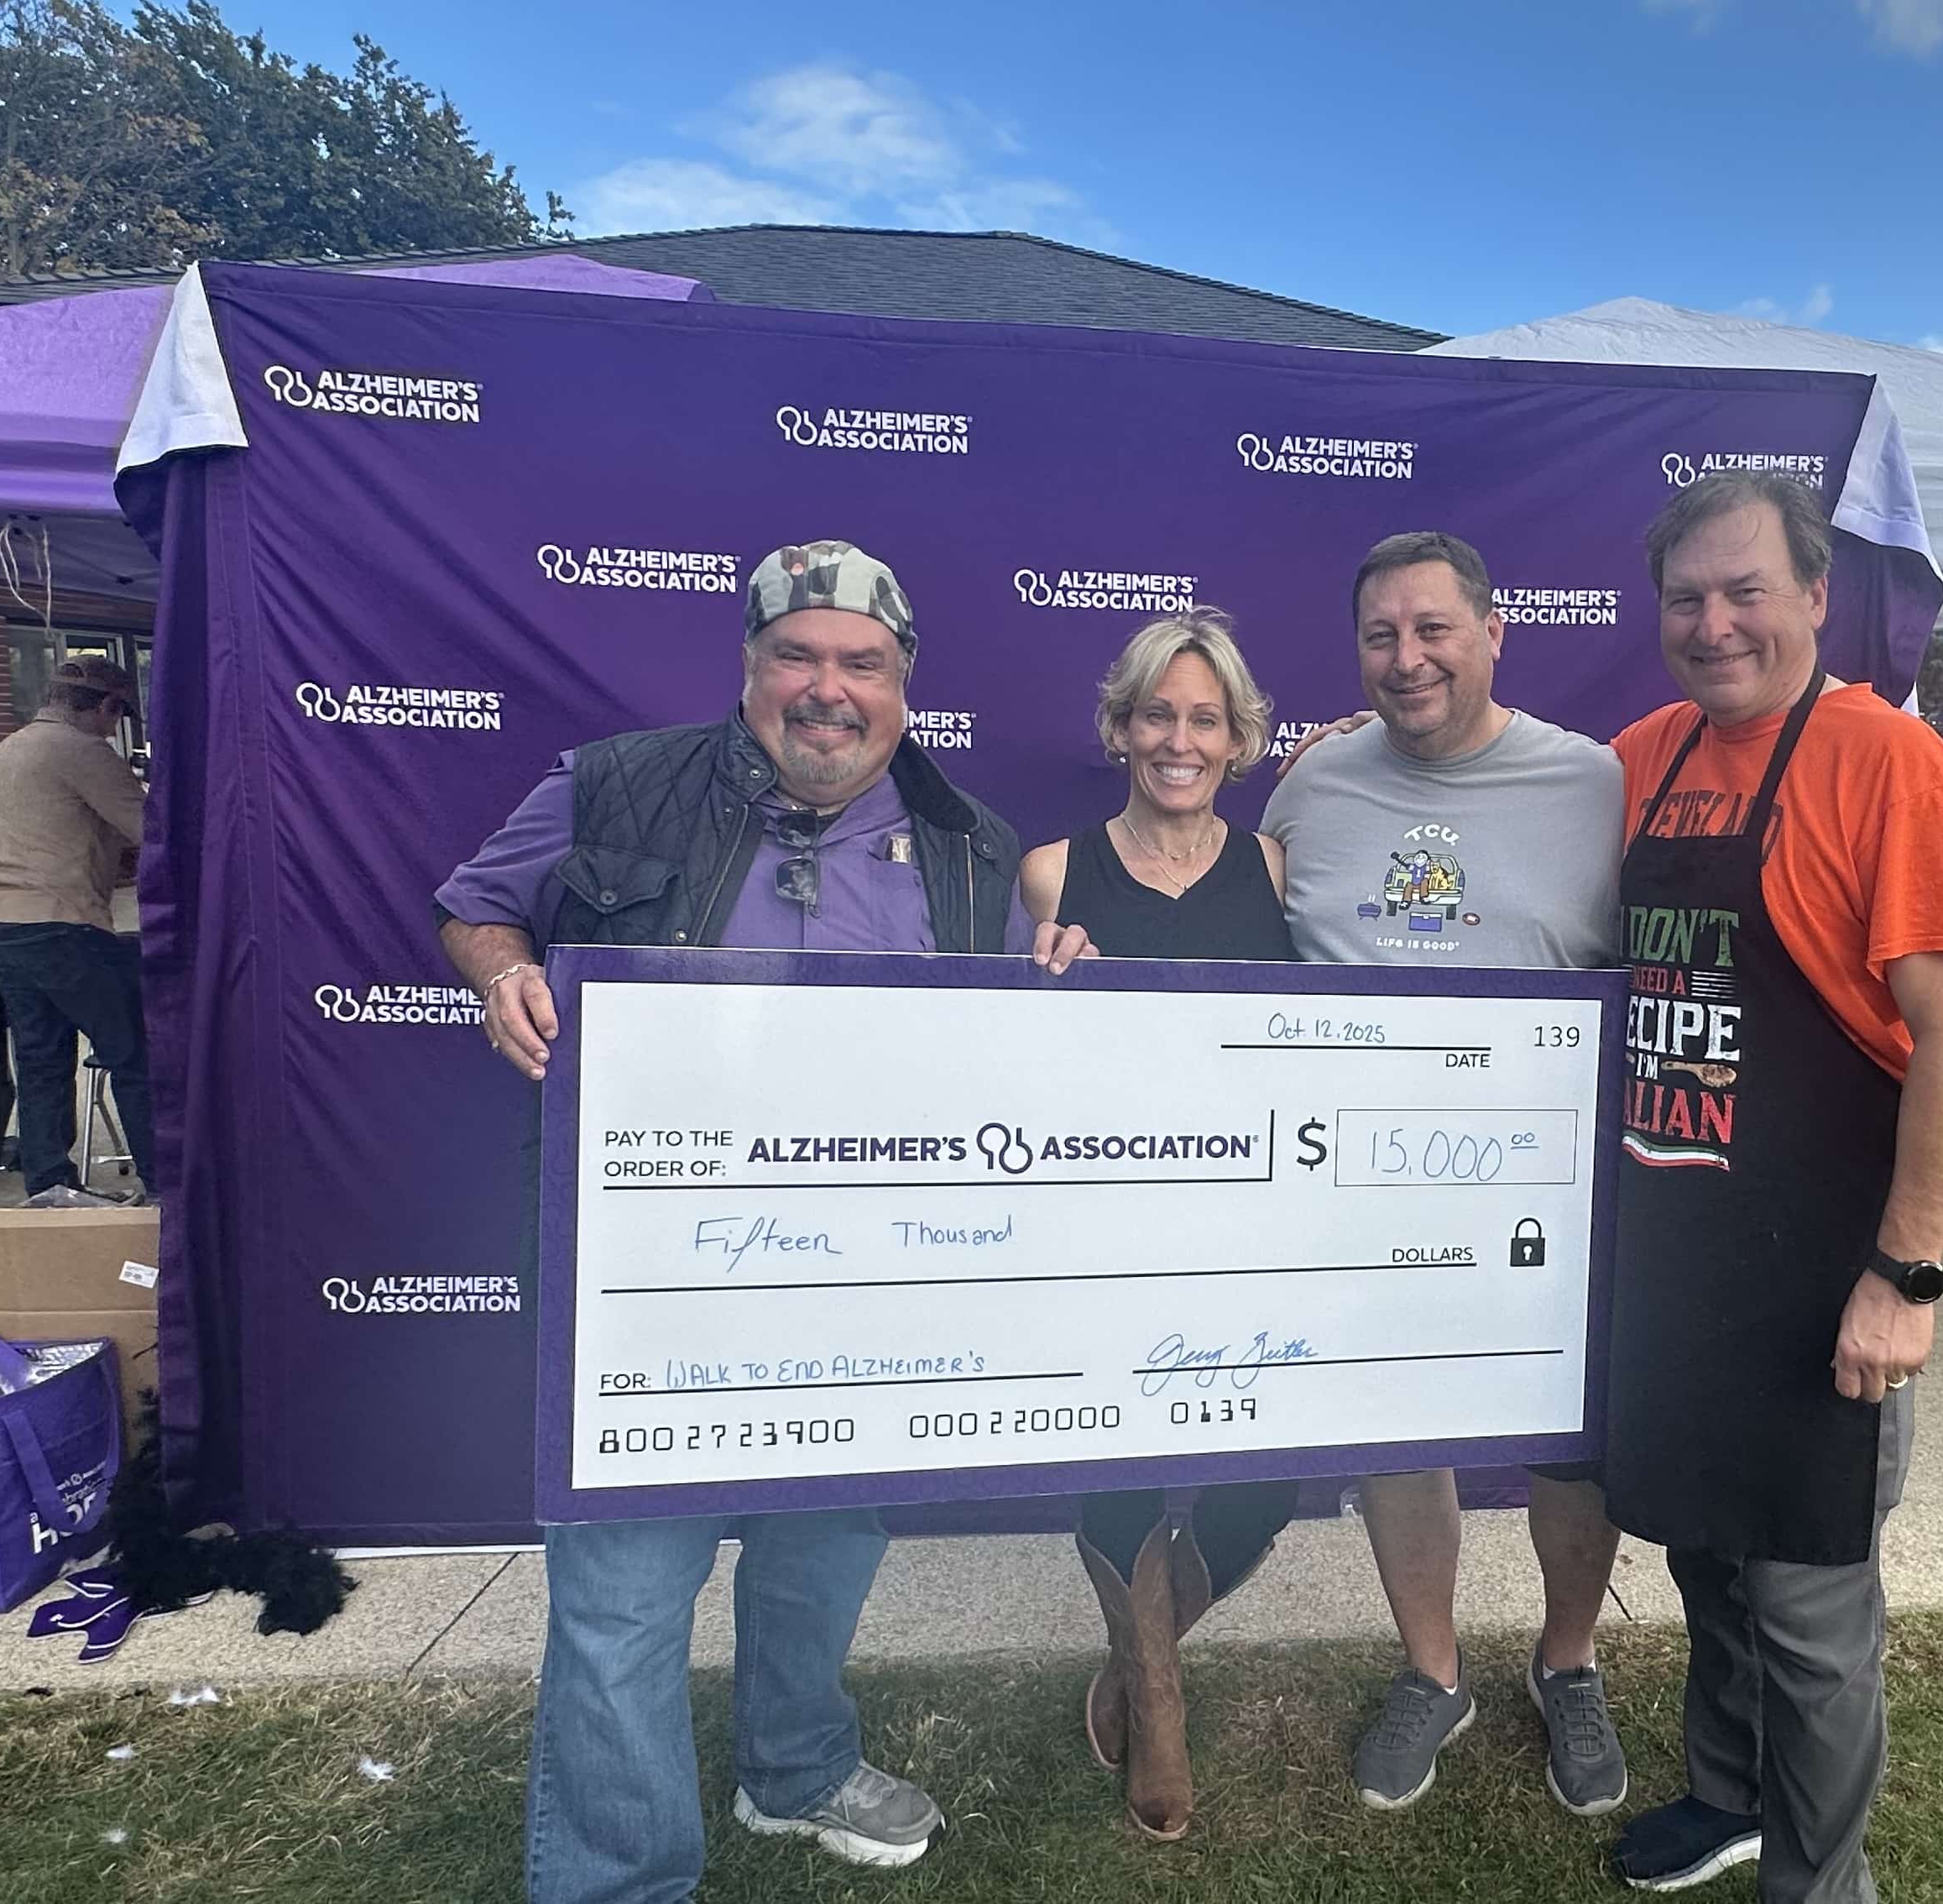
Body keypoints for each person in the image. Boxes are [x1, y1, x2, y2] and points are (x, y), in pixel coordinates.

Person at [437, 540, 1062, 1901]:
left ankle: (793, 1767)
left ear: (903, 685)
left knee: (821, 1550)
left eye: (861, 662)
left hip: (861, 1291)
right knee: (620, 1603)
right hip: (644, 1280)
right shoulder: (612, 782)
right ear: (749, 667)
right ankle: (616, 1877)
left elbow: (1013, 1056)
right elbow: (475, 906)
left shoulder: (967, 846)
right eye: (798, 654)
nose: (826, 687)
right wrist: (502, 977)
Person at [1601, 473, 1943, 1902]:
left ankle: (1821, 1883)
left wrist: (1903, 1273)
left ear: (1818, 596)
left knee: (1809, 1601)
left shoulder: (1888, 765)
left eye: (1744, 590)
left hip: (1821, 1263)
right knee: (1707, 1551)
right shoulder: (1638, 755)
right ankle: (1727, 1795)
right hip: (1678, 1247)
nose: (1713, 624)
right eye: (1686, 597)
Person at [1260, 531, 1636, 1818]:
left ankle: (1568, 1661)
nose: (1407, 658)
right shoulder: (1313, 781)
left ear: (1493, 630)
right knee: (1398, 1433)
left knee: (1575, 1446)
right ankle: (1434, 1671)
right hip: (1366, 1190)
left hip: (1554, 1184)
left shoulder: (1597, 784)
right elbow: (1228, 950)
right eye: (1380, 635)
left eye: (1433, 629)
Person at [1018, 608, 1302, 1841]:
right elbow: (1001, 1074)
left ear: (1239, 738)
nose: (1178, 740)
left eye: (1205, 718)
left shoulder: (1278, 868)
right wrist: (1034, 988)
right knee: (1115, 1463)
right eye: (1155, 715)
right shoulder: (1049, 872)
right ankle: (1163, 1706)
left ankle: (1136, 1659)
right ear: (1119, 727)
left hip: (1250, 1221)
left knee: (1270, 1484)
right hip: (1099, 1220)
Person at [0, 654, 155, 1202]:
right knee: (134, 1054)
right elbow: (155, 832)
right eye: (116, 715)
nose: (114, 727)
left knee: (42, 1061)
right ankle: (167, 1186)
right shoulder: (83, 750)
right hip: (59, 924)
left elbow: (61, 828)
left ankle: (48, 1187)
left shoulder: (15, 744)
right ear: (104, 706)